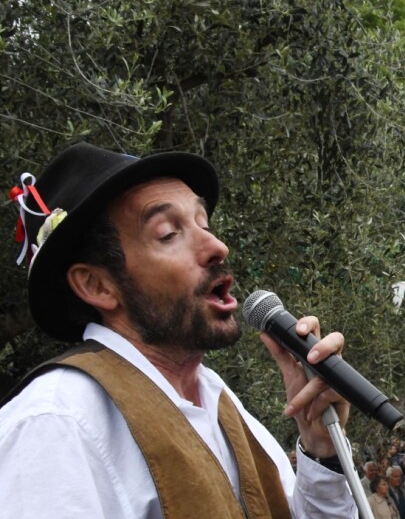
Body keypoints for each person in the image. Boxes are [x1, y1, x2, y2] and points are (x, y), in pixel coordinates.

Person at [0, 142, 357, 517]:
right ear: (97, 286)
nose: (217, 247)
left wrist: (322, 450)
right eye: (169, 233)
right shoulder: (55, 425)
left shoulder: (222, 403)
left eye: (204, 224)